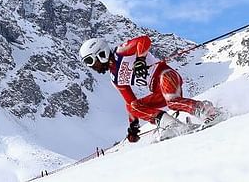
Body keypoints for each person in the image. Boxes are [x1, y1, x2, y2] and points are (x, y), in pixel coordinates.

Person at [79, 35, 220, 142]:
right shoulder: (115, 79)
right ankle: (172, 125)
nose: (91, 66)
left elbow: (144, 40)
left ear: (100, 53)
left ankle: (207, 111)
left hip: (165, 75)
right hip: (157, 90)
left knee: (172, 102)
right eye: (87, 63)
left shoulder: (121, 52)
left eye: (90, 61)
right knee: (132, 107)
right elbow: (131, 102)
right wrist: (133, 126)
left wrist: (140, 59)